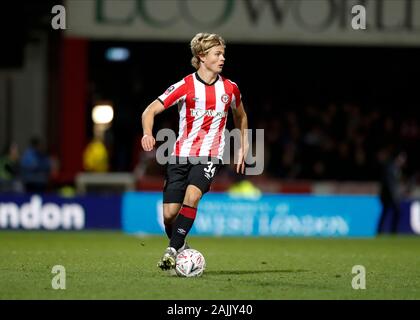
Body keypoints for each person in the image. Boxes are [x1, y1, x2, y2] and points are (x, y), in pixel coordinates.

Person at [141, 32, 249, 271]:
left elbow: (240, 116)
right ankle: (182, 247)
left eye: (223, 54)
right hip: (180, 155)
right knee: (169, 215)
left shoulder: (230, 88)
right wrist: (148, 134)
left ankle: (171, 251)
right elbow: (149, 111)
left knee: (193, 197)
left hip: (210, 155)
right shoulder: (185, 86)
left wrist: (244, 146)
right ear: (202, 57)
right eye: (217, 54)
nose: (222, 59)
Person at [377, 150, 407, 234]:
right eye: (402, 158)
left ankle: (390, 231)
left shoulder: (396, 168)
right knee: (389, 212)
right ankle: (384, 231)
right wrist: (395, 196)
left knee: (388, 212)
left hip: (392, 195)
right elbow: (390, 184)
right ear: (397, 158)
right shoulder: (390, 167)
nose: (403, 160)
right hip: (388, 196)